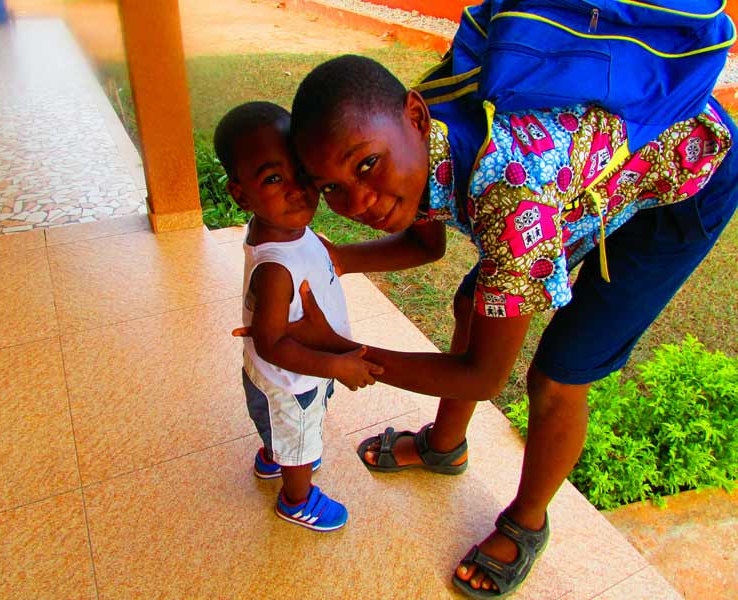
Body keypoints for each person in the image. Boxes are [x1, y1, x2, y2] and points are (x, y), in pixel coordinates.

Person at [256, 54, 735, 595]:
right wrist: (340, 258)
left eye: (365, 167)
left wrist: (341, 350)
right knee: (473, 303)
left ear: (416, 116)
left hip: (688, 168)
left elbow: (483, 378)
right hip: (582, 173)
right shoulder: (406, 136)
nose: (359, 202)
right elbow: (423, 241)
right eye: (332, 189)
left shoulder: (509, 200)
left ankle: (527, 523)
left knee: (558, 374)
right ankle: (445, 446)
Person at [214, 101, 383, 532]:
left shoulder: (285, 229)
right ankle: (296, 497)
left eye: (301, 174)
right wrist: (337, 365)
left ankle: (275, 455)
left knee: (288, 434)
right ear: (240, 193)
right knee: (300, 439)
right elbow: (272, 344)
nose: (296, 189)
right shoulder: (274, 268)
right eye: (273, 178)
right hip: (291, 384)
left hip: (295, 376)